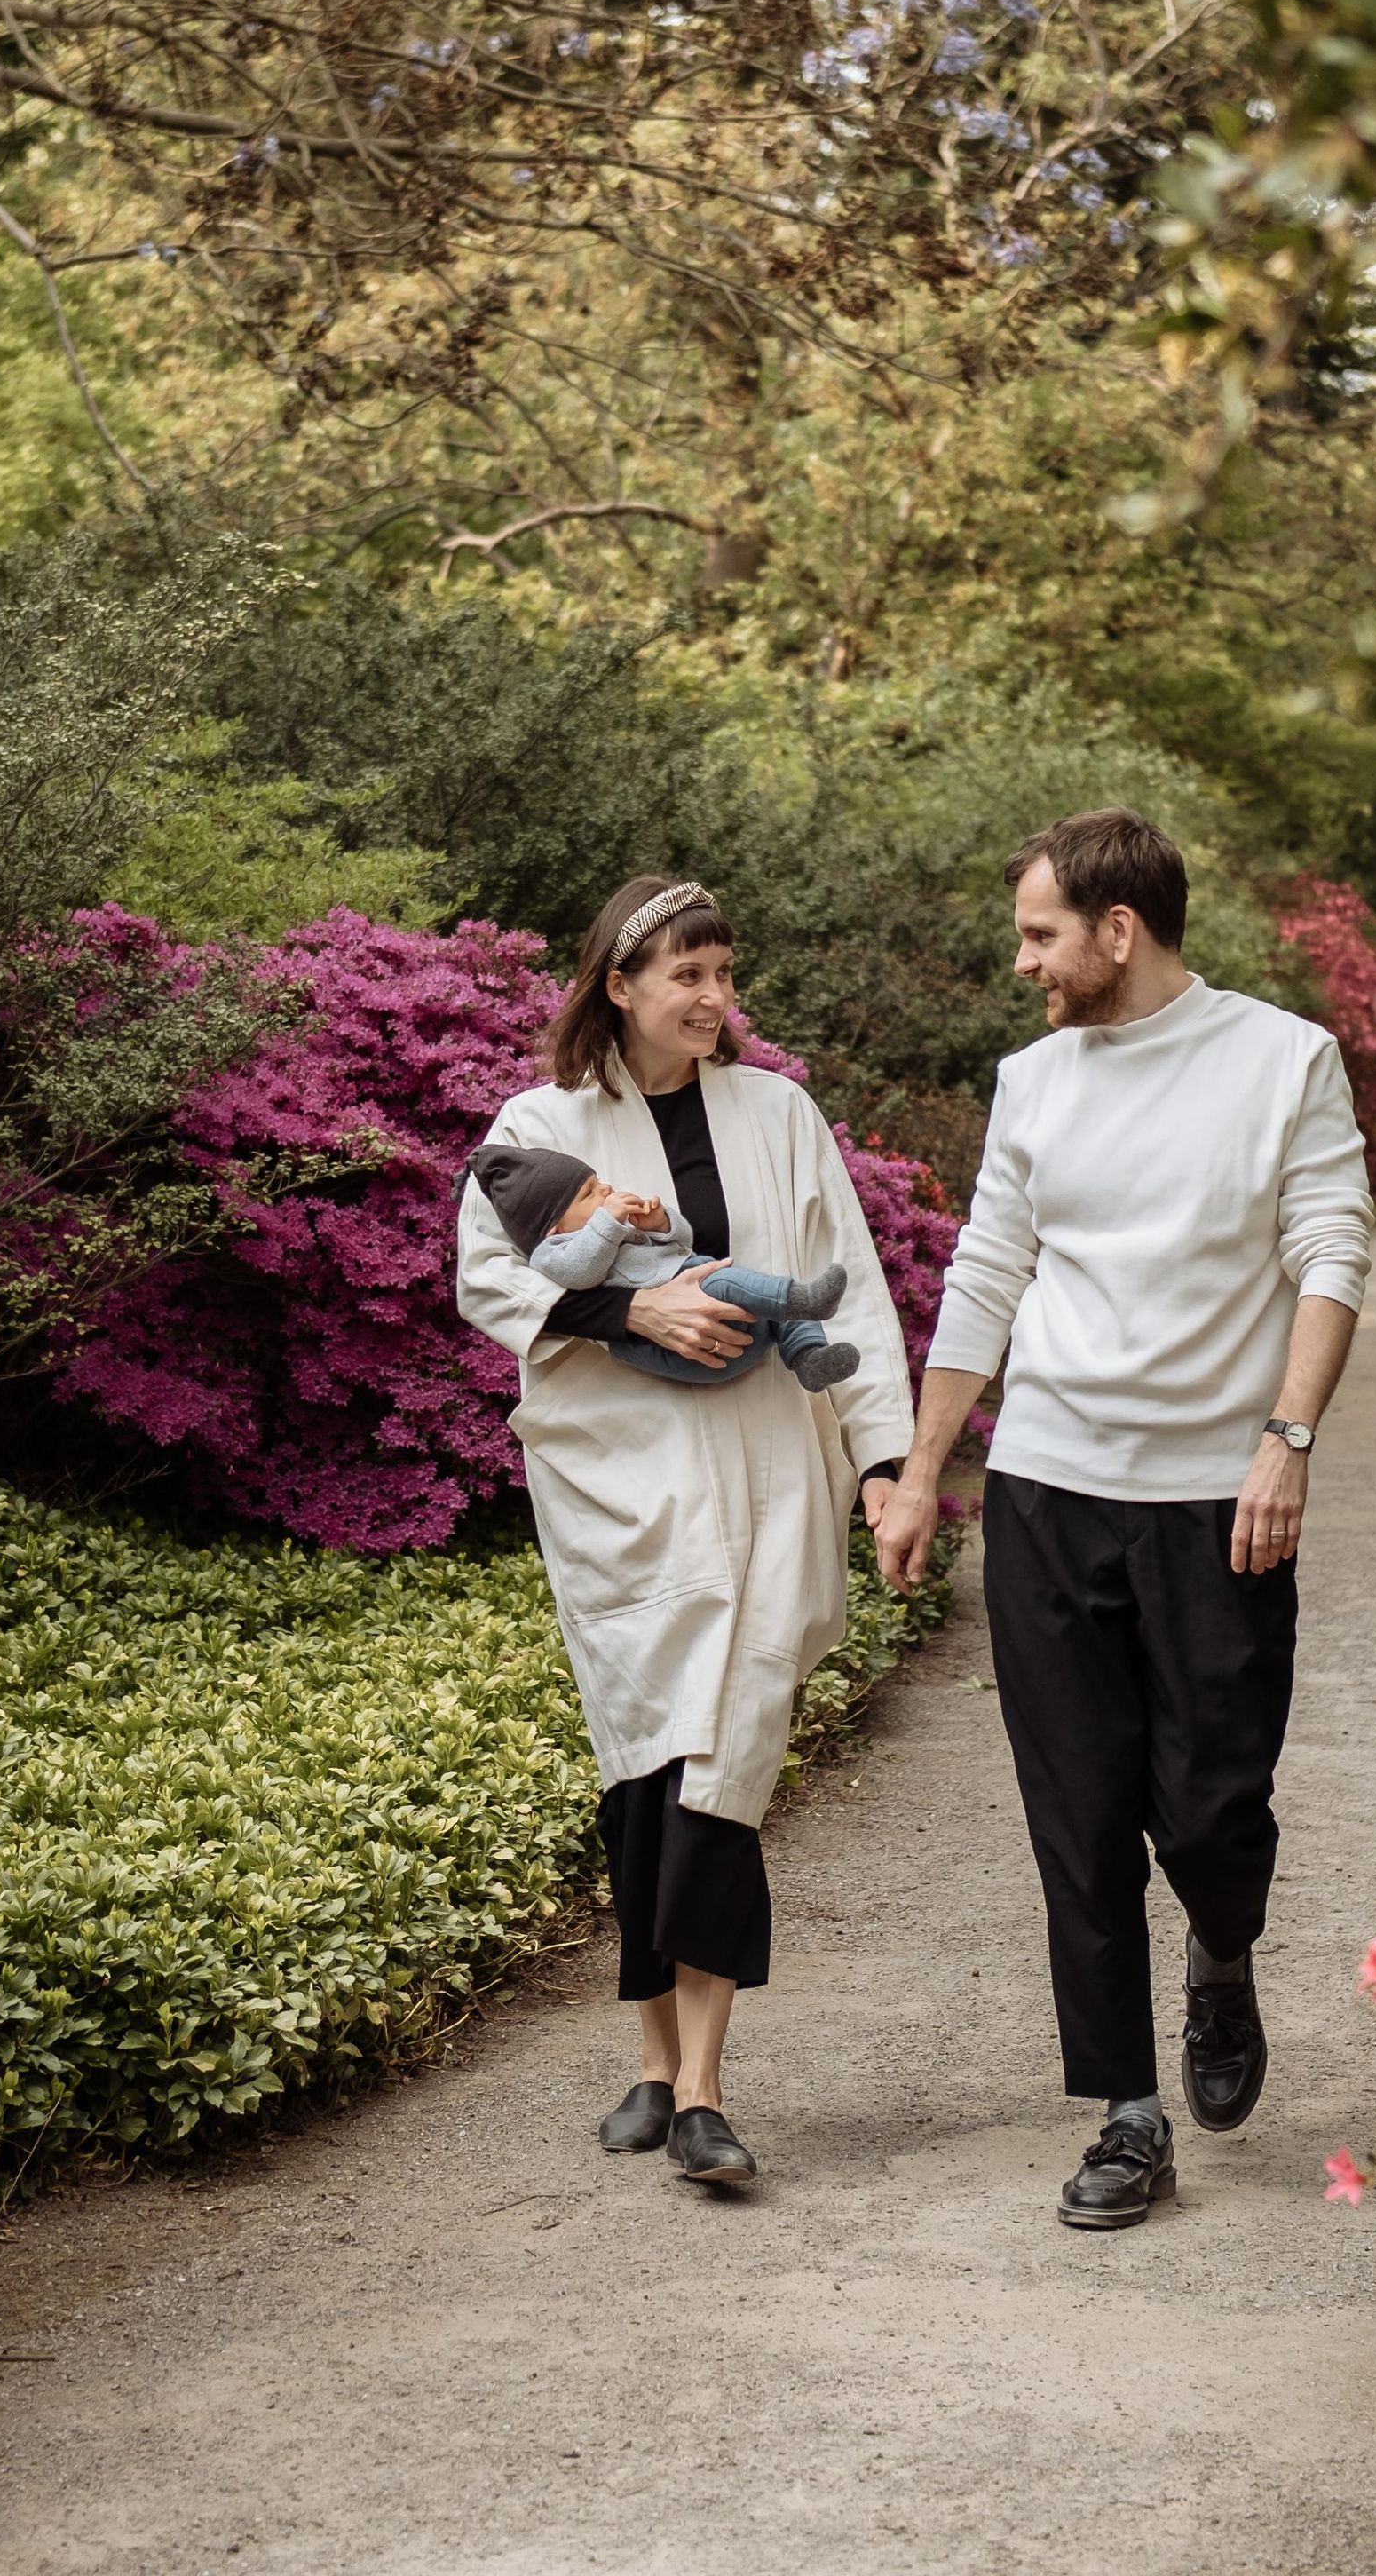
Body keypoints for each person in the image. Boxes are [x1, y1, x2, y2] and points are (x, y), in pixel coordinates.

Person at [874, 806, 1373, 2233]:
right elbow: (986, 1273)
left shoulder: (1282, 1059)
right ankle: (1125, 2110)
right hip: (1049, 1486)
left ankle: (1224, 1953)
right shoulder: (1034, 1082)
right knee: (1078, 1816)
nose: (1023, 961)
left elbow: (1332, 1249)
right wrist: (924, 1469)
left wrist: (1287, 1439)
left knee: (1212, 1807)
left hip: (1220, 1501)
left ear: (1116, 930)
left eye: (1040, 934)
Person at [456, 874, 913, 2187]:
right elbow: (488, 1278)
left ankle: (703, 2086)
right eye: (687, 977)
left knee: (730, 1749)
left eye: (725, 975)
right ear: (621, 983)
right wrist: (629, 1315)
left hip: (768, 1462)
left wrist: (883, 1459)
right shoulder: (542, 1123)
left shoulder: (778, 1113)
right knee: (649, 1755)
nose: (715, 1000)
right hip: (622, 1481)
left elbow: (858, 1291)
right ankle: (655, 2063)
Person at [464, 1144, 861, 1390]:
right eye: (589, 1193)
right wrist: (609, 1222)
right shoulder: (552, 1253)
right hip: (674, 1348)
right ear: (554, 1227)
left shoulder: (614, 1229)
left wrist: (661, 1225)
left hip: (725, 1325)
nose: (604, 1189)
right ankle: (804, 1297)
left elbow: (683, 1243)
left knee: (776, 1311)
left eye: (598, 1181)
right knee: (730, 1285)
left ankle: (809, 1358)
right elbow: (579, 1274)